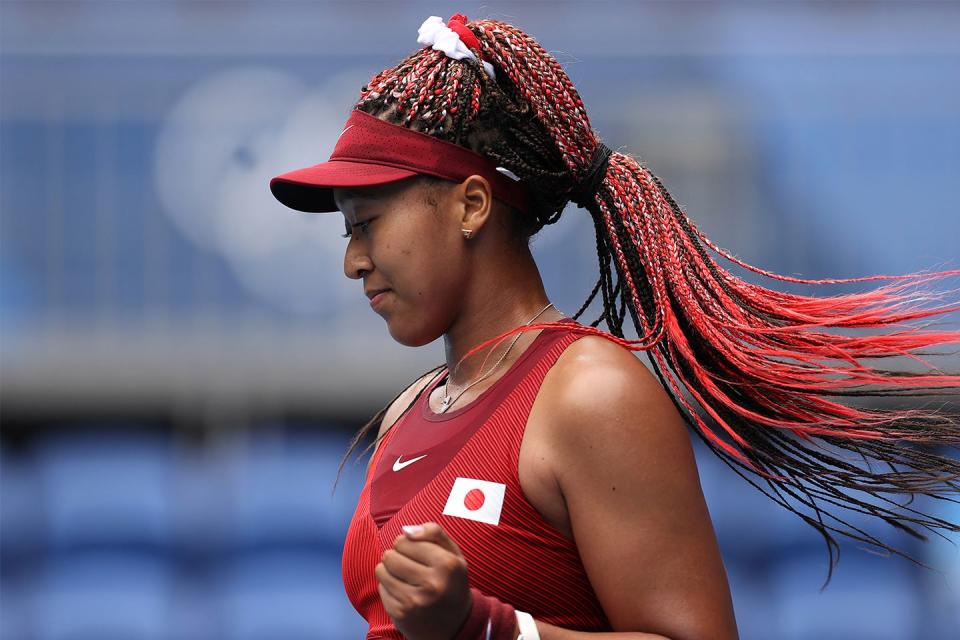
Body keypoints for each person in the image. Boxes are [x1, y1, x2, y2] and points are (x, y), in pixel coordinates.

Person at [269, 13, 960, 640]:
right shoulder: (404, 415)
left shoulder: (591, 395)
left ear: (472, 205)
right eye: (346, 236)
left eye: (367, 226)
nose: (355, 262)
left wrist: (484, 629)